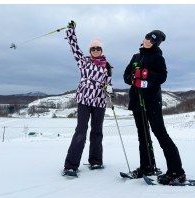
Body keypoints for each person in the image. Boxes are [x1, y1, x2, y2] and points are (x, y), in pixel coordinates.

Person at [123, 30, 186, 185]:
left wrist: (146, 75)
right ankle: (147, 167)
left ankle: (177, 172)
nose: (148, 41)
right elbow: (125, 76)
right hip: (137, 101)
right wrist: (133, 78)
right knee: (143, 136)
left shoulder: (158, 57)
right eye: (147, 38)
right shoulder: (136, 57)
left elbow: (162, 77)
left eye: (152, 41)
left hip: (151, 101)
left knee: (160, 134)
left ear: (156, 43)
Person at [62, 21, 113, 177]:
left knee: (97, 132)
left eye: (98, 48)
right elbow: (74, 47)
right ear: (90, 50)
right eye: (93, 48)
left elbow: (109, 85)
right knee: (81, 131)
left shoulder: (107, 66)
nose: (96, 50)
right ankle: (71, 165)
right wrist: (71, 31)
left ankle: (96, 161)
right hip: (84, 100)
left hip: (99, 102)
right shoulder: (83, 62)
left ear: (101, 50)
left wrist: (109, 89)